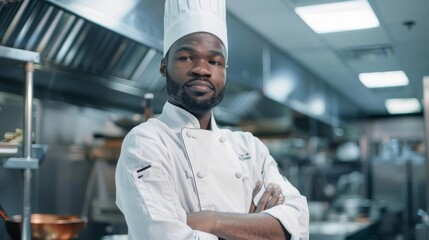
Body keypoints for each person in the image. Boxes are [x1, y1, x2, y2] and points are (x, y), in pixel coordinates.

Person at [115, 0, 309, 239]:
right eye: (186, 57)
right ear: (164, 66)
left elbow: (297, 223)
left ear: (225, 70)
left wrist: (210, 220)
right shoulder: (146, 143)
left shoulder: (250, 148)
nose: (202, 69)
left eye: (214, 61)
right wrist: (253, 226)